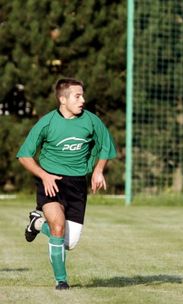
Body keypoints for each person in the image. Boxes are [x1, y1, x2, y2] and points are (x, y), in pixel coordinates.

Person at [18, 78, 117, 290]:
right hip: (51, 181)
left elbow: (106, 146)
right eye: (77, 96)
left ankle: (36, 224)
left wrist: (98, 171)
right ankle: (61, 281)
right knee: (57, 227)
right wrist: (43, 176)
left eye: (83, 95)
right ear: (63, 99)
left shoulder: (91, 121)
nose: (83, 100)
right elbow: (24, 155)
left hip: (77, 185)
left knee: (69, 243)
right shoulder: (47, 122)